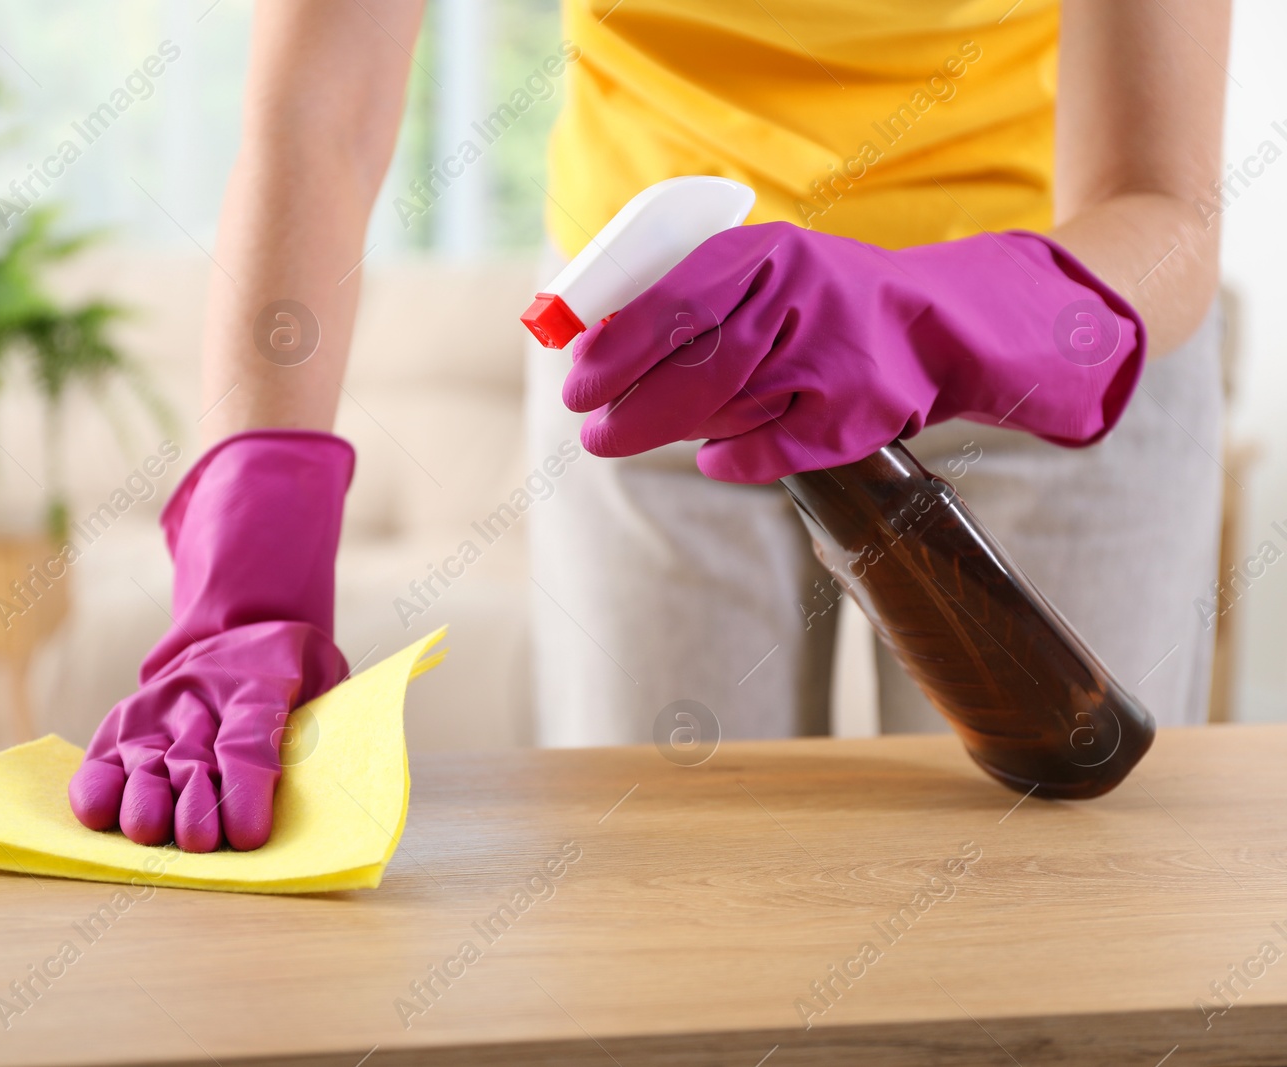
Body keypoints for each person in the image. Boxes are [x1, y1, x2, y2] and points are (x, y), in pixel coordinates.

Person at [69, 0, 1232, 852]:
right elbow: (319, 114)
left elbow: (1163, 207)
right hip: (649, 355)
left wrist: (932, 312)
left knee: (1045, 889)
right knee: (660, 889)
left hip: (1039, 330)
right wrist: (249, 568)